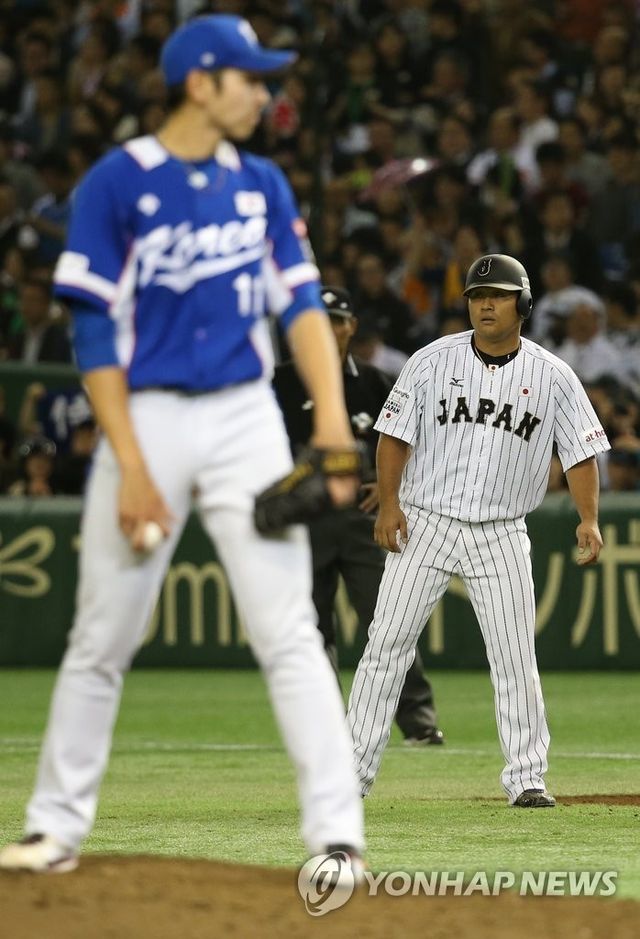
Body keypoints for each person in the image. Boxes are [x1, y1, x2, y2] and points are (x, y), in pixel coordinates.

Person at [0, 15, 364, 875]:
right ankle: (54, 828)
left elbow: (304, 306)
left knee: (289, 630)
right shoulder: (116, 183)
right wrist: (129, 465)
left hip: (245, 416)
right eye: (251, 79)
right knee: (103, 634)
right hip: (149, 416)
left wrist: (330, 424)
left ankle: (338, 836)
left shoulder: (265, 184)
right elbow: (94, 340)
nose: (266, 94)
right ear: (201, 82)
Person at [347, 254, 610, 808]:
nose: (485, 303)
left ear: (524, 303)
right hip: (427, 522)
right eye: (476, 295)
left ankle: (527, 777)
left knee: (515, 655)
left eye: (498, 294)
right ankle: (349, 776)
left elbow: (581, 451)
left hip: (501, 532)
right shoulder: (430, 361)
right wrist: (389, 505)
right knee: (385, 646)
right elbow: (392, 436)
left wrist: (588, 518)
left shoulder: (552, 374)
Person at [273, 285, 444, 745]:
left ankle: (419, 722)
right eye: (319, 321)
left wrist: (393, 489)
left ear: (351, 327)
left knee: (390, 619)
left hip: (363, 522)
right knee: (310, 628)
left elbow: (419, 442)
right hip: (302, 521)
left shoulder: (374, 381)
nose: (329, 330)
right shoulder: (281, 384)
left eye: (337, 320)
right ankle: (325, 726)